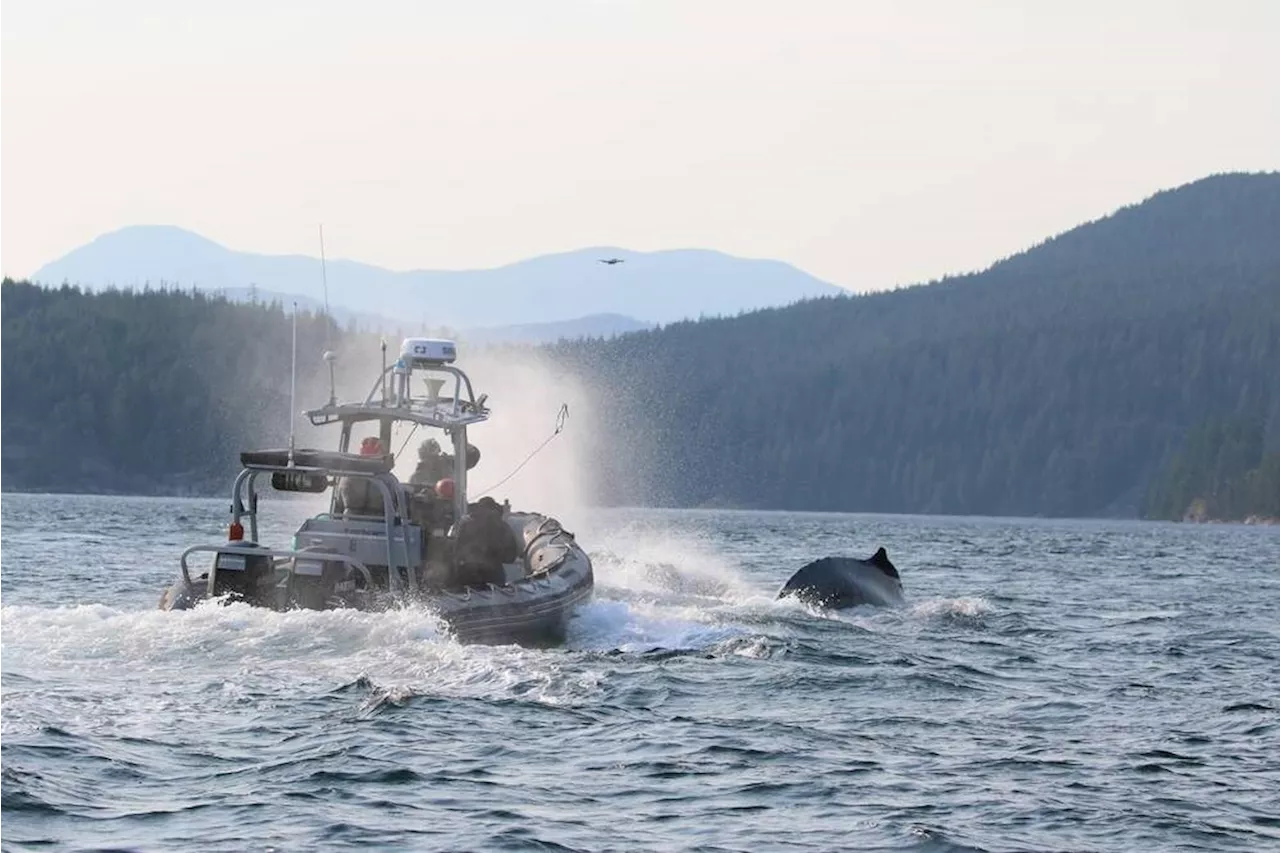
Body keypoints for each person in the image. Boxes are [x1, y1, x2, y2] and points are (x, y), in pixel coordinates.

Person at [453, 496, 520, 587]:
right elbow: (511, 556)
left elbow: (457, 550)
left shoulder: (466, 524)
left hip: (468, 574)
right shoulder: (502, 526)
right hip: (493, 575)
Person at [334, 436, 386, 517]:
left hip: (347, 524)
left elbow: (338, 505)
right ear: (377, 453)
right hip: (380, 526)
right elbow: (394, 505)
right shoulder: (386, 480)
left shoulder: (346, 477)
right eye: (382, 451)